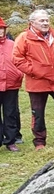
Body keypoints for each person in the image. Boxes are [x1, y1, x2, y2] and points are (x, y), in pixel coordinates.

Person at [13, 9, 54, 150]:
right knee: (38, 114)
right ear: (32, 23)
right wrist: (35, 70)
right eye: (42, 20)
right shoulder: (24, 38)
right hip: (37, 83)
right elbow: (17, 59)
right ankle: (39, 142)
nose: (45, 23)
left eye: (47, 20)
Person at [0, 17, 23, 152]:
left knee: (11, 113)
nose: (0, 31)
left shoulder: (12, 44)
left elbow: (20, 59)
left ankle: (11, 141)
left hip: (11, 84)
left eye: (2, 29)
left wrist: (19, 73)